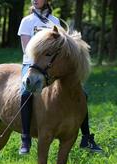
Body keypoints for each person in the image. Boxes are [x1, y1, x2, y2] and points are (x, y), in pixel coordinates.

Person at [17, 0, 102, 155]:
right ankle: (25, 138)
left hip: (52, 66)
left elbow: (63, 46)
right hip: (32, 64)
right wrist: (38, 63)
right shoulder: (27, 21)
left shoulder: (54, 22)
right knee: (25, 93)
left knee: (82, 94)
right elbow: (26, 49)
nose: (35, 0)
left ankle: (87, 138)